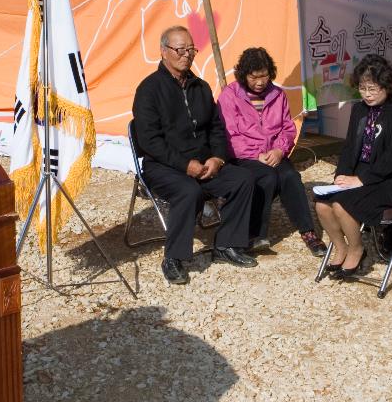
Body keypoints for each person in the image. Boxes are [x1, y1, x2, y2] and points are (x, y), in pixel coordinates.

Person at [132, 26, 258, 284]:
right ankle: (173, 258)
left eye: (191, 49)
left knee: (244, 179)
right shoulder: (149, 89)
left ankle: (226, 245)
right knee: (189, 191)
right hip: (163, 165)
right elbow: (149, 141)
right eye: (180, 49)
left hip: (203, 163)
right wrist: (183, 164)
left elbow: (216, 128)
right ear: (164, 51)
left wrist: (218, 158)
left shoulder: (200, 87)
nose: (187, 55)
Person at [316, 54, 392, 278]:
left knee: (342, 206)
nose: (367, 94)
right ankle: (341, 247)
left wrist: (361, 179)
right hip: (363, 173)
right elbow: (350, 147)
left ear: (386, 86)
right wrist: (342, 174)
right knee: (322, 205)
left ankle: (357, 249)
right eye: (363, 89)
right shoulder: (359, 109)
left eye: (372, 89)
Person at [217, 46, 326, 256]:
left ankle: (308, 232)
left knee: (291, 176)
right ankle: (256, 234)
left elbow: (287, 128)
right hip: (244, 156)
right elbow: (229, 136)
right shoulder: (229, 96)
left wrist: (279, 150)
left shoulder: (277, 94)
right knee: (266, 177)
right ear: (243, 75)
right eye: (254, 77)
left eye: (264, 76)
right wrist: (255, 155)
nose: (260, 82)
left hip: (273, 153)